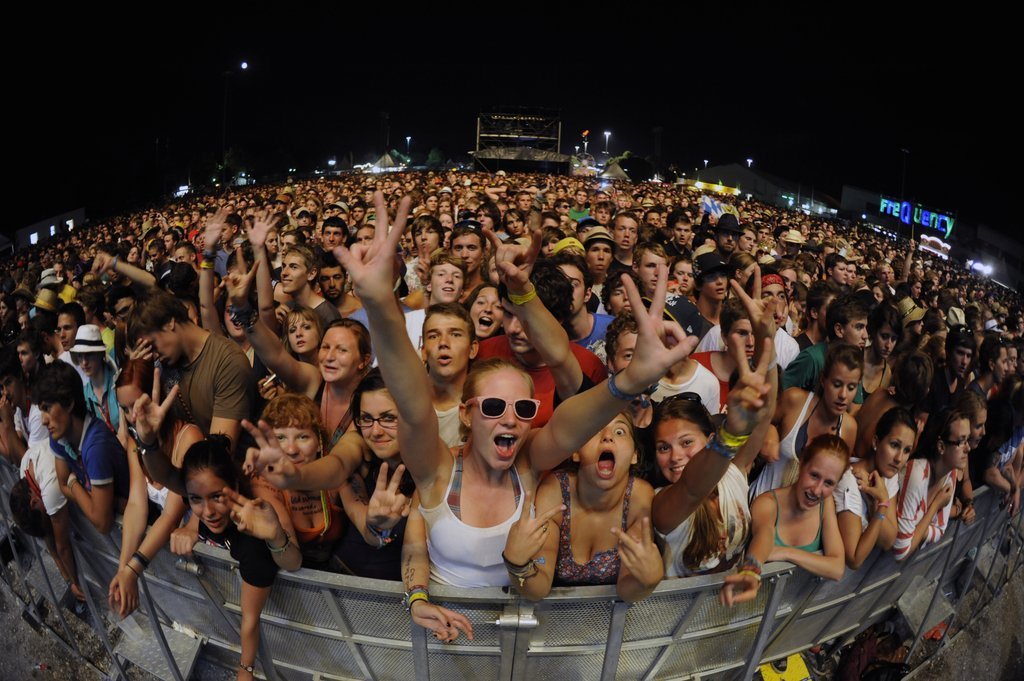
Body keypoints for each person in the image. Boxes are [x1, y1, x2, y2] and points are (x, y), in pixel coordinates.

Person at [333, 191, 697, 588]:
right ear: (467, 413)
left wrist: (628, 382)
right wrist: (381, 306)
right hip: (442, 622)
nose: (510, 419)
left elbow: (568, 425)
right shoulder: (438, 469)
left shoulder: (527, 464)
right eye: (493, 406)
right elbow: (413, 405)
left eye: (523, 409)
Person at [172, 436, 301, 681]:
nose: (207, 512)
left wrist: (246, 669)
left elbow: (250, 618)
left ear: (236, 487)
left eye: (217, 497)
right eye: (196, 499)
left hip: (289, 630)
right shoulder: (204, 512)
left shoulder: (252, 541)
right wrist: (189, 526)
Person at [721, 435, 848, 607]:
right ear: (802, 463)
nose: (817, 490)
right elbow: (764, 535)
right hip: (744, 607)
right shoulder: (767, 503)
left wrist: (785, 553)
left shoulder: (826, 504)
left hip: (788, 611)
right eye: (814, 475)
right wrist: (751, 571)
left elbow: (837, 569)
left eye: (829, 483)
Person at [128, 289, 257, 450]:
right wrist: (137, 371)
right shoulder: (164, 366)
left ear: (169, 323)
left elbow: (219, 455)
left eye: (152, 345)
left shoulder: (227, 362)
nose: (153, 356)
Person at [753, 343, 862, 500]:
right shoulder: (795, 400)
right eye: (837, 385)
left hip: (802, 513)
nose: (843, 395)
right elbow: (759, 420)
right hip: (759, 500)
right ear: (823, 380)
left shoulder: (849, 428)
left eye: (851, 387)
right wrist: (769, 432)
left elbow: (836, 480)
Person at [35, 361, 130, 534]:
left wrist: (73, 482)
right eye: (41, 410)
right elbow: (62, 484)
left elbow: (102, 523)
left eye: (47, 408)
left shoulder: (96, 447)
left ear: (69, 403)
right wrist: (96, 499)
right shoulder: (58, 434)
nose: (43, 420)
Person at [835, 407, 916, 569]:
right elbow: (854, 559)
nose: (899, 458)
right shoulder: (849, 481)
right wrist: (882, 504)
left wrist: (875, 501)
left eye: (907, 450)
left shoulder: (888, 475)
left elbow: (888, 541)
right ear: (876, 442)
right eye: (894, 445)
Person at [892, 409, 970, 561]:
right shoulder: (917, 473)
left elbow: (940, 529)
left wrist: (915, 532)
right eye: (961, 441)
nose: (968, 448)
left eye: (967, 440)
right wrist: (935, 506)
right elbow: (901, 552)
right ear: (941, 447)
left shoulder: (951, 473)